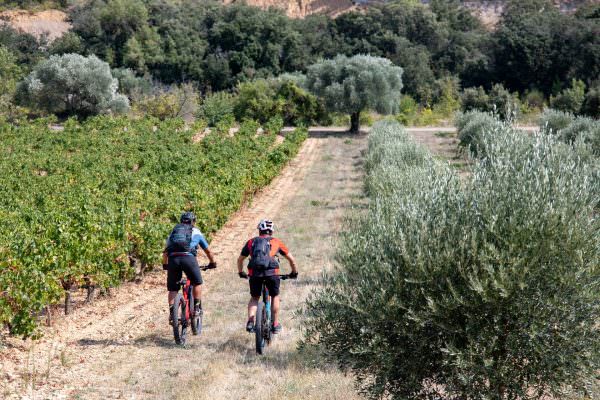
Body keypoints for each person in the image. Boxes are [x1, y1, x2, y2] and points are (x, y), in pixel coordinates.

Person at [237, 219, 298, 334]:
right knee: (275, 295)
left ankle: (250, 322)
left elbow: (240, 259)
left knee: (255, 297)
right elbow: (292, 260)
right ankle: (275, 324)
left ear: (259, 230)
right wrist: (294, 272)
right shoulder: (276, 242)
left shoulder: (251, 242)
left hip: (254, 273)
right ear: (272, 231)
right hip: (272, 273)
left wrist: (241, 272)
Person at [163, 212, 216, 324]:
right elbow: (208, 251)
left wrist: (165, 265)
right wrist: (212, 262)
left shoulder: (174, 231)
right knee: (197, 282)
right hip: (188, 258)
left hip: (173, 259)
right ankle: (196, 309)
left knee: (173, 289)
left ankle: (172, 314)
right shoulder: (196, 232)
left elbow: (166, 251)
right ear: (193, 222)